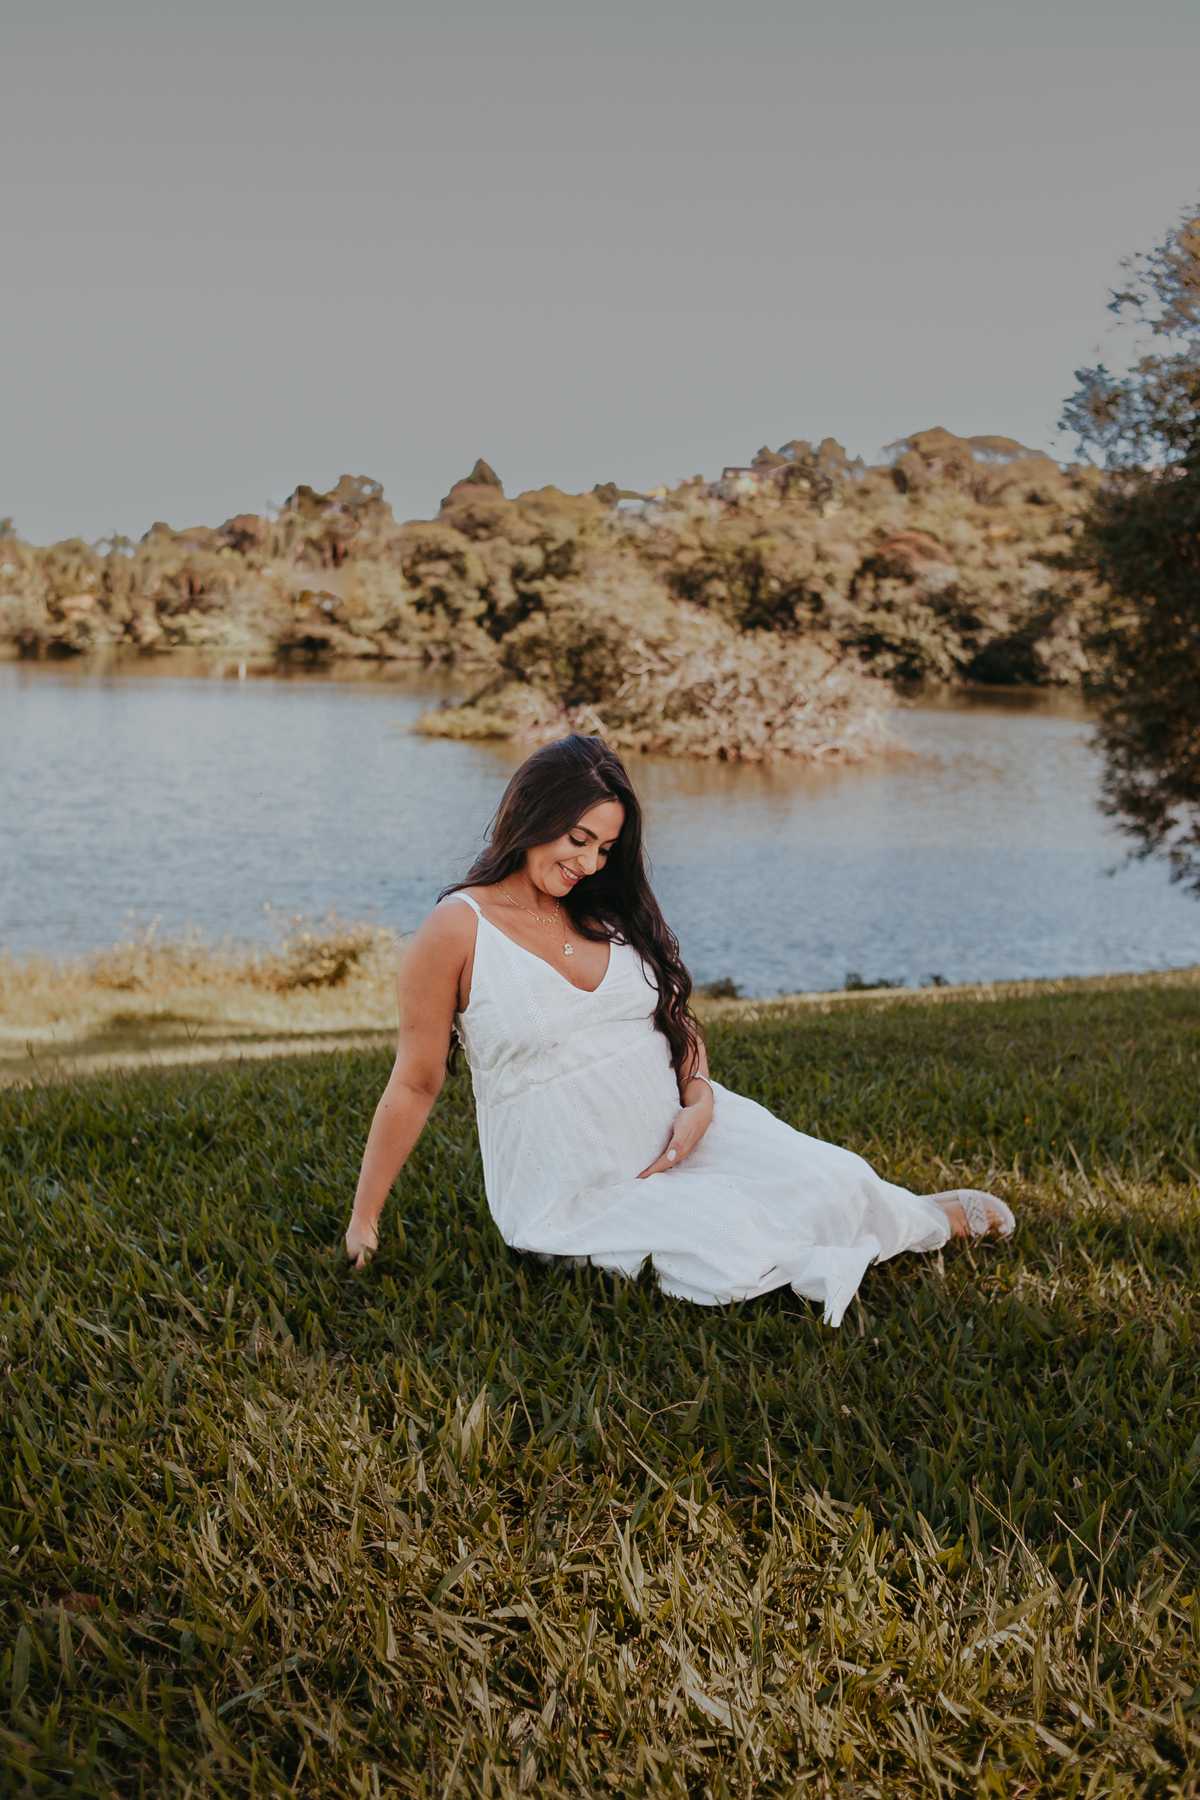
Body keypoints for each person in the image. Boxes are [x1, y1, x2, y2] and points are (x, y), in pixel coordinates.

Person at [345, 735, 1014, 1326]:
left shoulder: (603, 911)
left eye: (605, 848)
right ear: (530, 813)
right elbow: (415, 1081)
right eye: (578, 840)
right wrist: (365, 1219)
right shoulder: (458, 928)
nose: (590, 863)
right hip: (576, 1189)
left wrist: (700, 1098)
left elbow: (676, 1020)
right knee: (726, 1254)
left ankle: (919, 1216)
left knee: (837, 1179)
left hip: (684, 1129)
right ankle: (873, 1229)